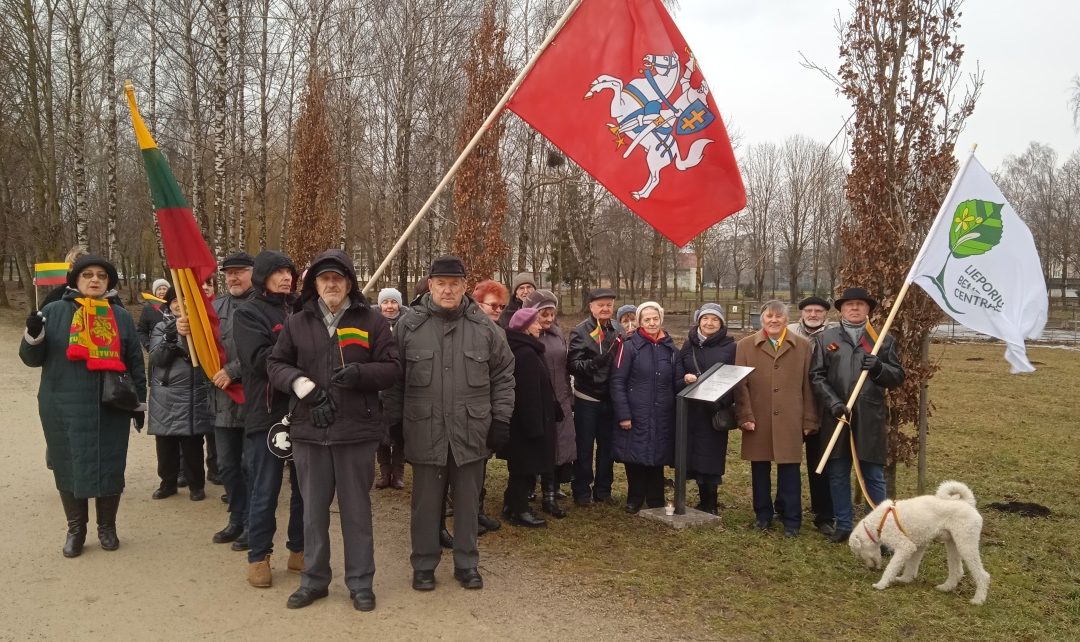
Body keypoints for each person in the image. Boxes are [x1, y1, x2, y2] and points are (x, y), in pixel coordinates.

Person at [268, 249, 399, 612]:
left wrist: (361, 374)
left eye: (338, 278)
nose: (331, 284)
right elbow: (276, 364)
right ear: (315, 284)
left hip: (355, 432)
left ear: (349, 283)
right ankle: (314, 580)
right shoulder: (298, 322)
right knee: (312, 514)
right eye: (324, 279)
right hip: (310, 431)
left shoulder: (372, 321)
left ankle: (360, 583)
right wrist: (303, 387)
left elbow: (392, 368)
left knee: (357, 513)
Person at [384, 256, 515, 591]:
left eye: (454, 284)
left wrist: (501, 419)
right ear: (430, 285)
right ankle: (424, 564)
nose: (447, 290)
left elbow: (503, 375)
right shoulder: (409, 325)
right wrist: (394, 420)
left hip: (471, 430)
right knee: (425, 505)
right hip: (424, 429)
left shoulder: (484, 327)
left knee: (468, 504)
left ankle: (467, 563)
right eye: (441, 283)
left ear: (464, 286)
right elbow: (394, 378)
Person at [20, 255, 147, 557]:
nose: (95, 280)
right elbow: (31, 359)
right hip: (63, 405)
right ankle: (76, 529)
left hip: (111, 405)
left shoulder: (120, 316)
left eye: (101, 275)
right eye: (87, 274)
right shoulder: (53, 311)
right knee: (68, 465)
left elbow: (135, 361)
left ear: (108, 282)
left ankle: (107, 528)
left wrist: (138, 403)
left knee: (110, 465)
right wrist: (34, 334)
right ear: (75, 280)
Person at [810, 287, 905, 543]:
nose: (854, 308)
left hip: (869, 417)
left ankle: (878, 529)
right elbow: (816, 376)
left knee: (873, 474)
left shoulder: (882, 340)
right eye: (849, 304)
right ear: (841, 309)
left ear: (868, 310)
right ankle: (843, 524)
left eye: (860, 304)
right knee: (838, 472)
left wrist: (879, 368)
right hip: (837, 416)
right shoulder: (826, 339)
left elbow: (897, 377)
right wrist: (833, 402)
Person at [233, 250, 305, 587]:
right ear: (263, 277)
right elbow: (260, 359)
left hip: (304, 411)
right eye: (278, 272)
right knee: (265, 488)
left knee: (305, 487)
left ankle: (299, 549)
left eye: (289, 272)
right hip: (267, 413)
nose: (286, 277)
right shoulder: (248, 313)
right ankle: (259, 555)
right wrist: (301, 346)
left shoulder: (303, 308)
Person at [734, 300, 818, 537]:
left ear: (786, 320)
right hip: (758, 417)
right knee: (759, 469)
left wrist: (809, 419)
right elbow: (740, 386)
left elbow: (809, 386)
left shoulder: (803, 347)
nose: (774, 320)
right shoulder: (744, 346)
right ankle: (763, 515)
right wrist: (745, 415)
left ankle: (792, 520)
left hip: (791, 417)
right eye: (769, 316)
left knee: (790, 469)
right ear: (762, 319)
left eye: (778, 316)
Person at [610, 301, 683, 513]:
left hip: (662, 413)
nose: (652, 323)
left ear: (661, 320)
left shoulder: (671, 349)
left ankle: (655, 498)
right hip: (636, 412)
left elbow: (676, 382)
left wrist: (687, 380)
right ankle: (635, 497)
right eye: (647, 319)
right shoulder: (629, 347)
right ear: (640, 322)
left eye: (655, 319)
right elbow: (617, 381)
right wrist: (624, 414)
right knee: (635, 455)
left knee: (657, 455)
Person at [208, 251, 256, 547]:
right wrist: (185, 334)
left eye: (239, 271)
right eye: (228, 273)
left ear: (253, 273)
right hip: (223, 402)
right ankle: (236, 519)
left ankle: (253, 522)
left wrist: (233, 371)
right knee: (227, 466)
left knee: (252, 467)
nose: (233, 277)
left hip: (254, 401)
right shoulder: (214, 307)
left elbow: (267, 348)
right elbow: (200, 351)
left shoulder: (264, 305)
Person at [147, 287, 213, 501]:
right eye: (175, 300)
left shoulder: (202, 326)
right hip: (165, 395)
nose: (179, 304)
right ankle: (168, 483)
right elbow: (157, 359)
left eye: (184, 300)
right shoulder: (161, 327)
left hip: (193, 392)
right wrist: (171, 336)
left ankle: (196, 485)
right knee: (165, 445)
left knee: (192, 443)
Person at [500, 308, 559, 528]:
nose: (540, 326)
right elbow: (528, 393)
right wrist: (535, 426)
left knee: (523, 467)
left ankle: (511, 505)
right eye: (535, 322)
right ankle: (519, 510)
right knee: (523, 469)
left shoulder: (529, 349)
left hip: (529, 420)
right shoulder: (525, 353)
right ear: (525, 327)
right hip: (527, 423)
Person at [678, 303, 736, 515]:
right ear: (699, 321)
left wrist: (720, 400)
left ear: (721, 323)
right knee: (692, 455)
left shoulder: (730, 347)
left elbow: (735, 378)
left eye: (715, 319)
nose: (709, 323)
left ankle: (710, 502)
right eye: (705, 318)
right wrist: (684, 379)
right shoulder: (689, 345)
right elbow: (678, 369)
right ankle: (697, 499)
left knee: (710, 457)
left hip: (713, 409)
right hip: (691, 409)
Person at [786, 295, 836, 535]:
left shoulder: (834, 335)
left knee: (820, 462)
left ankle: (824, 513)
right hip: (793, 405)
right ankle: (785, 507)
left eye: (818, 311)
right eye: (809, 311)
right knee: (788, 460)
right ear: (802, 313)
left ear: (825, 314)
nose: (813, 315)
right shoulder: (788, 332)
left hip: (823, 406)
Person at [567, 288, 620, 506]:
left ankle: (603, 490)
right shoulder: (580, 331)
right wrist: (593, 364)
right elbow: (572, 365)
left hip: (610, 397)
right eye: (601, 305)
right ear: (591, 307)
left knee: (607, 447)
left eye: (609, 305)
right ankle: (581, 490)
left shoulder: (618, 329)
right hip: (587, 397)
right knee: (584, 447)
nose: (605, 309)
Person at [524, 288, 573, 517]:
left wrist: (568, 396)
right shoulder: (527, 334)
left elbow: (564, 367)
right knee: (537, 446)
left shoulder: (557, 334)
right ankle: (527, 488)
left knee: (557, 447)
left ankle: (550, 494)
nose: (549, 319)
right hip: (537, 398)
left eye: (552, 314)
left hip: (560, 398)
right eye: (544, 314)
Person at [373, 287, 407, 490]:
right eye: (385, 302)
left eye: (393, 302)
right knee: (380, 434)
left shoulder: (408, 324)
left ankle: (398, 473)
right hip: (379, 388)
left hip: (400, 387)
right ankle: (385, 472)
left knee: (399, 433)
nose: (390, 306)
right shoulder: (373, 324)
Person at [137, 278, 171, 350]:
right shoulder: (148, 308)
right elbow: (141, 331)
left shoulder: (175, 305)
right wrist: (148, 345)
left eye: (164, 289)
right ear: (155, 292)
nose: (162, 291)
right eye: (159, 289)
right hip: (157, 348)